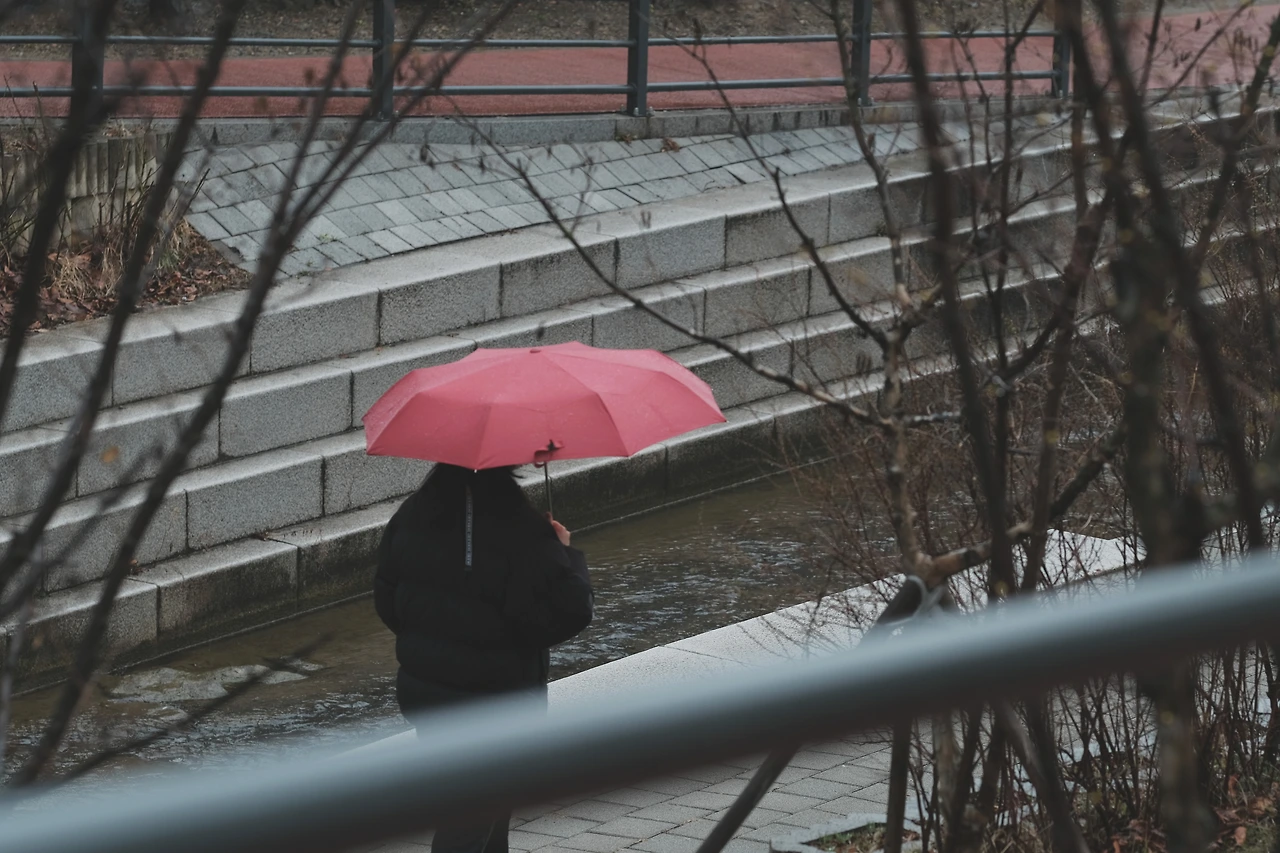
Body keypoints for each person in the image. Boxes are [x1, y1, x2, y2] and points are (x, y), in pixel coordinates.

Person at [373, 463, 594, 853]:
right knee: (472, 819)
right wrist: (564, 553)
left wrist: (432, 642)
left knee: (480, 811)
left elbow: (387, 600)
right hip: (499, 701)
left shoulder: (412, 516)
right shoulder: (523, 528)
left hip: (431, 695)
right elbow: (570, 611)